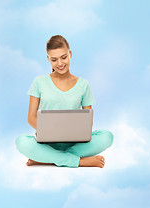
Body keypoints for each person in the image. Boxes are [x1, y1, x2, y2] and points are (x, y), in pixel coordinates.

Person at [15, 35, 114, 168]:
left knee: (107, 136)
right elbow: (31, 117)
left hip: (76, 144)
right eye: (54, 59)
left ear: (70, 54)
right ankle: (77, 161)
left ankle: (48, 158)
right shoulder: (39, 82)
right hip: (47, 142)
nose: (60, 64)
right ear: (48, 59)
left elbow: (88, 118)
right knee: (21, 142)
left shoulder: (83, 84)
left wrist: (78, 131)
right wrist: (50, 131)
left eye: (63, 57)